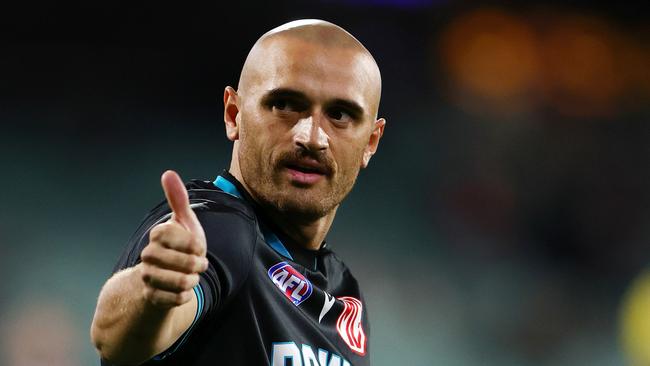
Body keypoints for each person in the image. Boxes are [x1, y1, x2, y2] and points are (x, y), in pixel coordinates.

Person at [90, 19, 386, 366]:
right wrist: (154, 294)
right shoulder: (219, 230)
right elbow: (117, 341)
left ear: (370, 142)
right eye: (286, 105)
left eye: (339, 114)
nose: (312, 137)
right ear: (234, 114)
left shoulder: (345, 294)